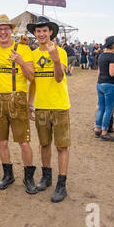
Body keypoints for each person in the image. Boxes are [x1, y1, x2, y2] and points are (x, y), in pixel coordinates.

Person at [0, 14, 38, 194]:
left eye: (6, 28)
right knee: (1, 142)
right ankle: (8, 174)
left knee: (23, 142)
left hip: (17, 98)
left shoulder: (23, 48)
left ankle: (28, 177)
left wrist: (20, 61)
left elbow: (31, 77)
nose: (3, 32)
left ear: (11, 30)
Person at [27, 16, 71, 203]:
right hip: (42, 106)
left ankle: (62, 184)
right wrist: (30, 103)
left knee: (61, 146)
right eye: (38, 31)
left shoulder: (60, 52)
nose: (42, 34)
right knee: (44, 144)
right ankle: (46, 177)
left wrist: (54, 60)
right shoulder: (33, 54)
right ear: (35, 34)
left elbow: (59, 78)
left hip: (60, 106)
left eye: (45, 30)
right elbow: (33, 82)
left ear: (51, 32)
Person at [93, 36, 114, 141]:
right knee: (108, 109)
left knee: (101, 107)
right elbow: (112, 73)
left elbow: (99, 72)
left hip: (100, 83)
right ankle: (105, 132)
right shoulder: (112, 57)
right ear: (113, 45)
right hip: (110, 84)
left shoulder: (101, 55)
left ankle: (97, 129)